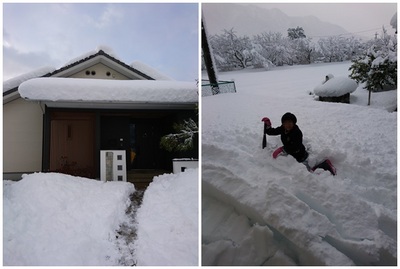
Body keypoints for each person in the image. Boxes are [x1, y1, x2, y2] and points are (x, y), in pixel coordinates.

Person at [262, 112, 336, 175]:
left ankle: (326, 166)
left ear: (294, 123)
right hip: (290, 153)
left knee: (308, 171)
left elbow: (295, 147)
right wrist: (268, 125)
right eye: (285, 123)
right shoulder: (283, 128)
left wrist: (283, 149)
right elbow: (271, 132)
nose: (288, 125)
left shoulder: (297, 132)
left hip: (300, 155)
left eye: (290, 122)